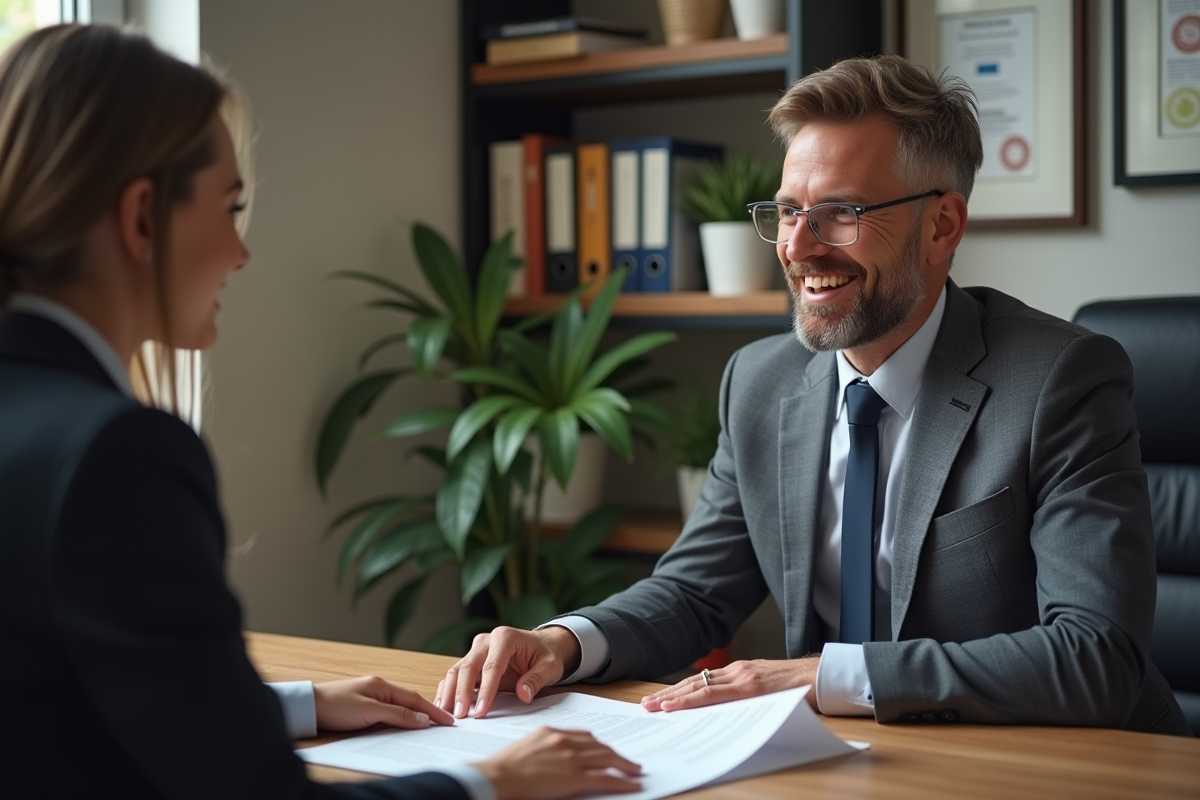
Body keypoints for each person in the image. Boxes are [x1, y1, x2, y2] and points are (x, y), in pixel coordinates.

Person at [437, 55, 1191, 737]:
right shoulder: (760, 384)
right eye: (789, 211)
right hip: (845, 762)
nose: (797, 249)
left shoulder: (1060, 380)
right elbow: (696, 593)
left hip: (1059, 766)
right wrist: (559, 643)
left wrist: (821, 677)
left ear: (942, 225)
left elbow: (1096, 656)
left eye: (842, 213)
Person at [0, 24, 643, 799]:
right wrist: (491, 784)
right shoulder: (115, 452)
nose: (241, 254)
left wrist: (293, 705)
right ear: (142, 220)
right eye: (229, 208)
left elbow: (51, 701)